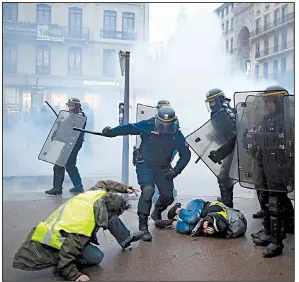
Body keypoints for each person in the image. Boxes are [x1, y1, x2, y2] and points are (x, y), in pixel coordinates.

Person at [13, 180, 144, 281]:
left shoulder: (97, 194)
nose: (117, 217)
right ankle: (61, 264)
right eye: (116, 214)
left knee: (111, 219)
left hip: (64, 229)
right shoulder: (82, 227)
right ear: (106, 211)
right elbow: (68, 251)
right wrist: (74, 275)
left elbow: (104, 183)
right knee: (97, 257)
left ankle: (126, 239)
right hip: (51, 246)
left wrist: (124, 188)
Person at [102, 106, 191, 242]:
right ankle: (143, 226)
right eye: (163, 125)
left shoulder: (176, 134)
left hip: (163, 167)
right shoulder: (148, 125)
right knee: (148, 190)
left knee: (168, 196)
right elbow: (129, 128)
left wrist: (176, 171)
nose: (165, 128)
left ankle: (157, 211)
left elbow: (186, 154)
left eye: (169, 125)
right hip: (145, 163)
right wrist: (112, 132)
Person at [248, 85, 294, 258]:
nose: (266, 104)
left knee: (275, 205)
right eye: (265, 101)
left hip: (280, 167)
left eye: (269, 101)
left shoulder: (288, 120)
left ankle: (276, 242)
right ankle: (269, 232)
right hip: (266, 165)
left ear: (278, 101)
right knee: (266, 200)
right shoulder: (267, 119)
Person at [45, 98, 86, 196]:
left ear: (76, 106)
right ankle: (78, 186)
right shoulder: (74, 116)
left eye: (72, 106)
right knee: (70, 165)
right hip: (71, 144)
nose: (70, 108)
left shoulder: (79, 117)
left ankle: (57, 188)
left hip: (71, 145)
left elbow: (70, 131)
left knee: (58, 166)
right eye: (69, 105)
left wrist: (63, 124)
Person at [204, 88, 236, 208]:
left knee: (223, 177)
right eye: (209, 103)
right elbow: (222, 131)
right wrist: (212, 135)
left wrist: (221, 152)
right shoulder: (219, 113)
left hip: (233, 148)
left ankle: (227, 202)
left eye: (212, 102)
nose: (211, 105)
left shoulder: (226, 113)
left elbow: (234, 134)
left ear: (219, 100)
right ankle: (226, 199)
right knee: (225, 176)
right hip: (228, 148)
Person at [154, 199, 247, 238]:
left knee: (188, 229)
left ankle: (171, 222)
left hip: (205, 220)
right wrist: (206, 221)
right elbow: (214, 215)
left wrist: (205, 231)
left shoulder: (227, 230)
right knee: (191, 219)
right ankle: (177, 209)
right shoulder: (220, 209)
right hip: (199, 205)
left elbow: (219, 231)